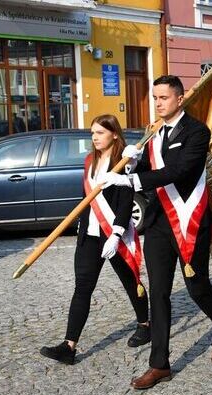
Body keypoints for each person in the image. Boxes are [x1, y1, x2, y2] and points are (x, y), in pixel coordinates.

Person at [105, 75, 212, 390]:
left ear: (180, 98)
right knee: (159, 292)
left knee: (196, 287)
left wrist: (134, 181)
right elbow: (148, 170)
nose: (158, 103)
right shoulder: (152, 133)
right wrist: (131, 167)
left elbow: (180, 170)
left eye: (163, 97)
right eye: (155, 98)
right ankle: (159, 364)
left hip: (189, 218)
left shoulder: (196, 131)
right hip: (158, 222)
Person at [40, 114, 150, 365]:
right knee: (82, 288)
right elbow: (86, 197)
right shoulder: (90, 160)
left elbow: (125, 201)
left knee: (130, 281)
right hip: (89, 235)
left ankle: (145, 324)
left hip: (114, 234)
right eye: (92, 133)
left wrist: (117, 233)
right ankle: (69, 345)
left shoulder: (123, 161)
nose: (95, 137)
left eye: (100, 132)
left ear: (114, 134)